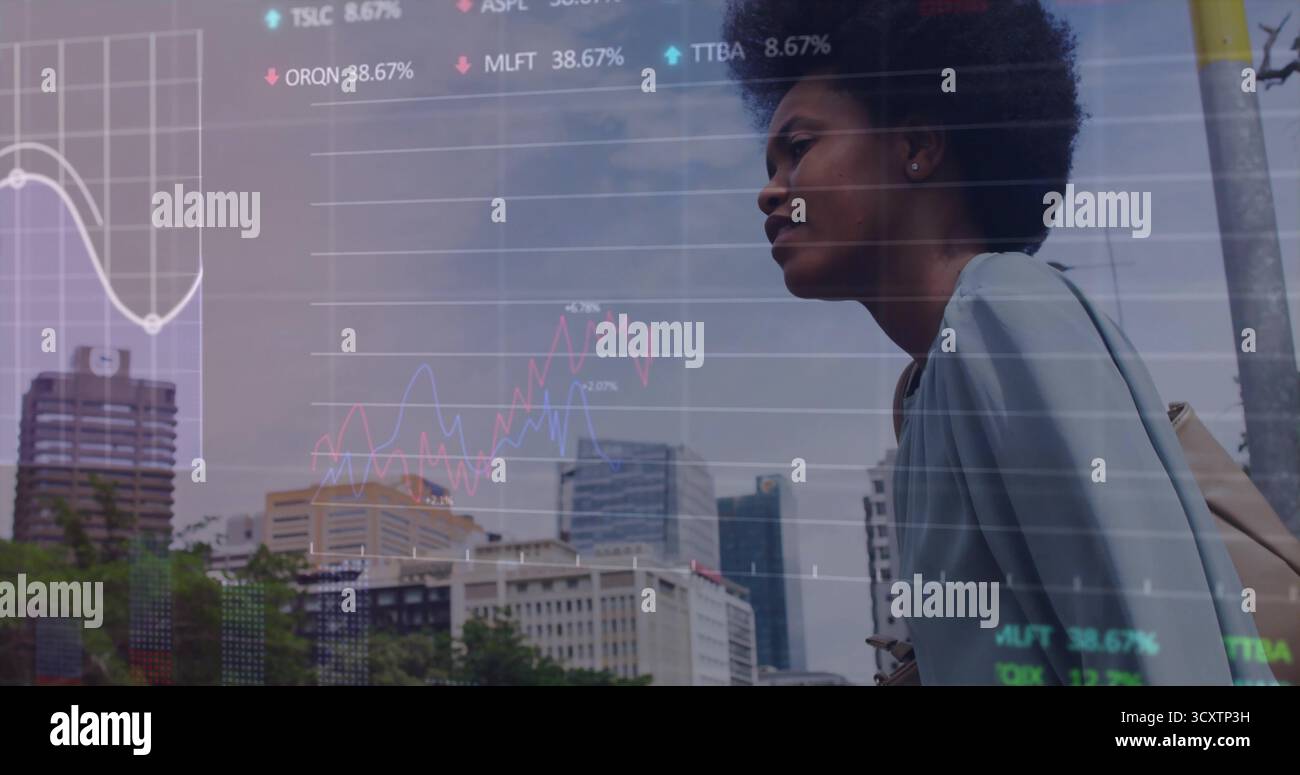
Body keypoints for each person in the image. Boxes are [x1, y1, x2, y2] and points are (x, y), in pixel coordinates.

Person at [724, 0, 1273, 685]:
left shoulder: (1005, 309)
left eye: (798, 151)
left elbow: (1162, 658)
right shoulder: (932, 388)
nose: (769, 192)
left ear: (917, 148)